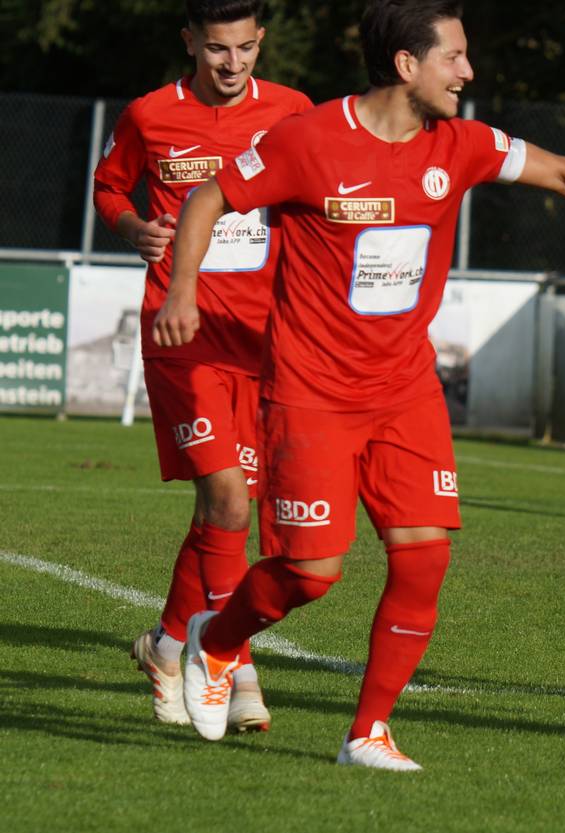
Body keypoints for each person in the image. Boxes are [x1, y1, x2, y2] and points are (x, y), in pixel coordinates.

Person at [154, 0, 565, 770]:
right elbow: (208, 197)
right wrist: (182, 289)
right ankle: (216, 640)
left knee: (423, 556)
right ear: (405, 66)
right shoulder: (308, 140)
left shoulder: (459, 144)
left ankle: (368, 732)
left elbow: (561, 169)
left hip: (405, 392)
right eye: (454, 57)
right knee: (311, 572)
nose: (469, 71)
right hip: (311, 395)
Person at [91, 0, 312, 734]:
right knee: (229, 499)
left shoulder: (292, 111)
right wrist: (132, 228)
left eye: (245, 48)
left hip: (263, 340)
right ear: (189, 42)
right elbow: (109, 186)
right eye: (217, 49)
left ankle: (165, 643)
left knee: (224, 507)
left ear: (260, 43)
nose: (232, 64)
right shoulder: (151, 116)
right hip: (182, 334)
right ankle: (236, 662)